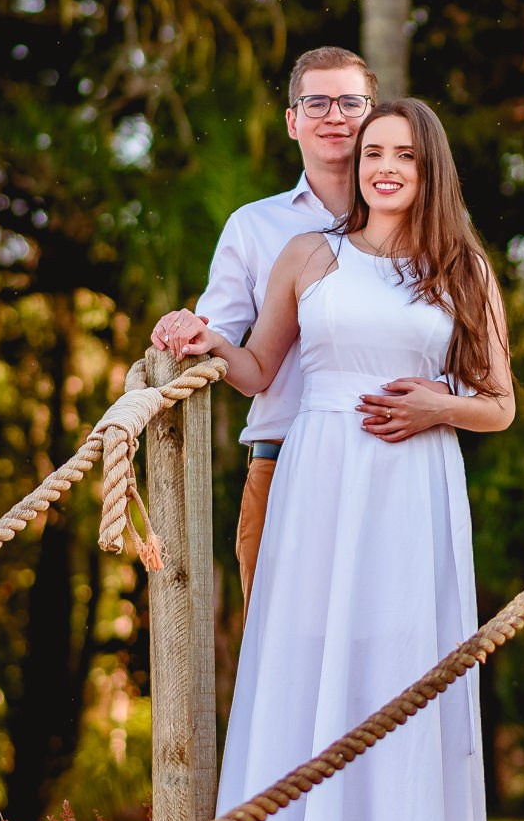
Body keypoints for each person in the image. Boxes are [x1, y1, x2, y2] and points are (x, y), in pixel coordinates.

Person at [180, 99, 514, 821]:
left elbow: (500, 404)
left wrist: (438, 405)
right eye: (373, 151)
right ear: (356, 164)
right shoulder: (308, 255)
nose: (385, 165)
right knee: (318, 669)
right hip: (320, 476)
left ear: (428, 165)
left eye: (403, 152)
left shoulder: (461, 268)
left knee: (401, 676)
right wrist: (205, 335)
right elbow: (258, 370)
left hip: (413, 485)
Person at [150, 47, 380, 606]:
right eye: (317, 102)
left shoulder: (416, 226)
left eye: (351, 102)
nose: (335, 116)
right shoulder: (254, 226)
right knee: (280, 651)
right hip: (281, 461)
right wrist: (188, 327)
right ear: (292, 120)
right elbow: (217, 336)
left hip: (385, 464)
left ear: (372, 115)